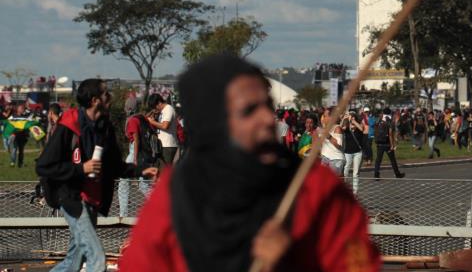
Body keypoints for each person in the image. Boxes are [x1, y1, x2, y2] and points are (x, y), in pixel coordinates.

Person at [119, 55, 379, 272]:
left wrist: (292, 261)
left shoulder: (316, 188)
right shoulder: (175, 198)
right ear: (212, 125)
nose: (268, 118)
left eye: (267, 105)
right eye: (248, 111)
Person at [37, 79, 157, 272]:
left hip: (93, 201)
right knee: (97, 260)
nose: (109, 96)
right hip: (73, 199)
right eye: (105, 93)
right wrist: (80, 169)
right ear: (94, 100)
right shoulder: (69, 125)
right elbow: (44, 166)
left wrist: (141, 170)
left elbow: (114, 166)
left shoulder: (105, 128)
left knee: (73, 263)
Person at [118, 102, 156, 217]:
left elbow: (136, 139)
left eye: (126, 106)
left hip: (135, 151)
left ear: (129, 108)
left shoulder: (133, 120)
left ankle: (123, 214)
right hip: (145, 152)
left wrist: (135, 158)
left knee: (124, 182)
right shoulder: (143, 119)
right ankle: (159, 205)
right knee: (143, 184)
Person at [145, 94, 178, 167]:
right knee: (158, 171)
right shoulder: (162, 111)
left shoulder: (168, 109)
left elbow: (165, 126)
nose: (154, 109)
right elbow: (146, 117)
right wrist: (153, 116)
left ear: (159, 103)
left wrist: (152, 122)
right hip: (162, 145)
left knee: (164, 172)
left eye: (154, 106)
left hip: (168, 145)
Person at [373, 108, 405, 179]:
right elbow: (390, 134)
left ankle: (376, 174)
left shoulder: (379, 120)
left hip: (379, 143)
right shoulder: (390, 121)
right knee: (393, 160)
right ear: (390, 113)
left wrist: (376, 140)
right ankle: (397, 174)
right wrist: (392, 145)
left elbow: (375, 131)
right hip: (387, 143)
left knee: (378, 159)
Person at [342, 112, 366, 193]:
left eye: (353, 117)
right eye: (350, 118)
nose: (351, 119)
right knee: (345, 171)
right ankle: (344, 189)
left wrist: (353, 120)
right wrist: (344, 119)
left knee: (355, 173)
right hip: (347, 153)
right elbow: (341, 127)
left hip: (358, 153)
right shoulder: (346, 128)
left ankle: (355, 192)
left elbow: (362, 129)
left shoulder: (359, 126)